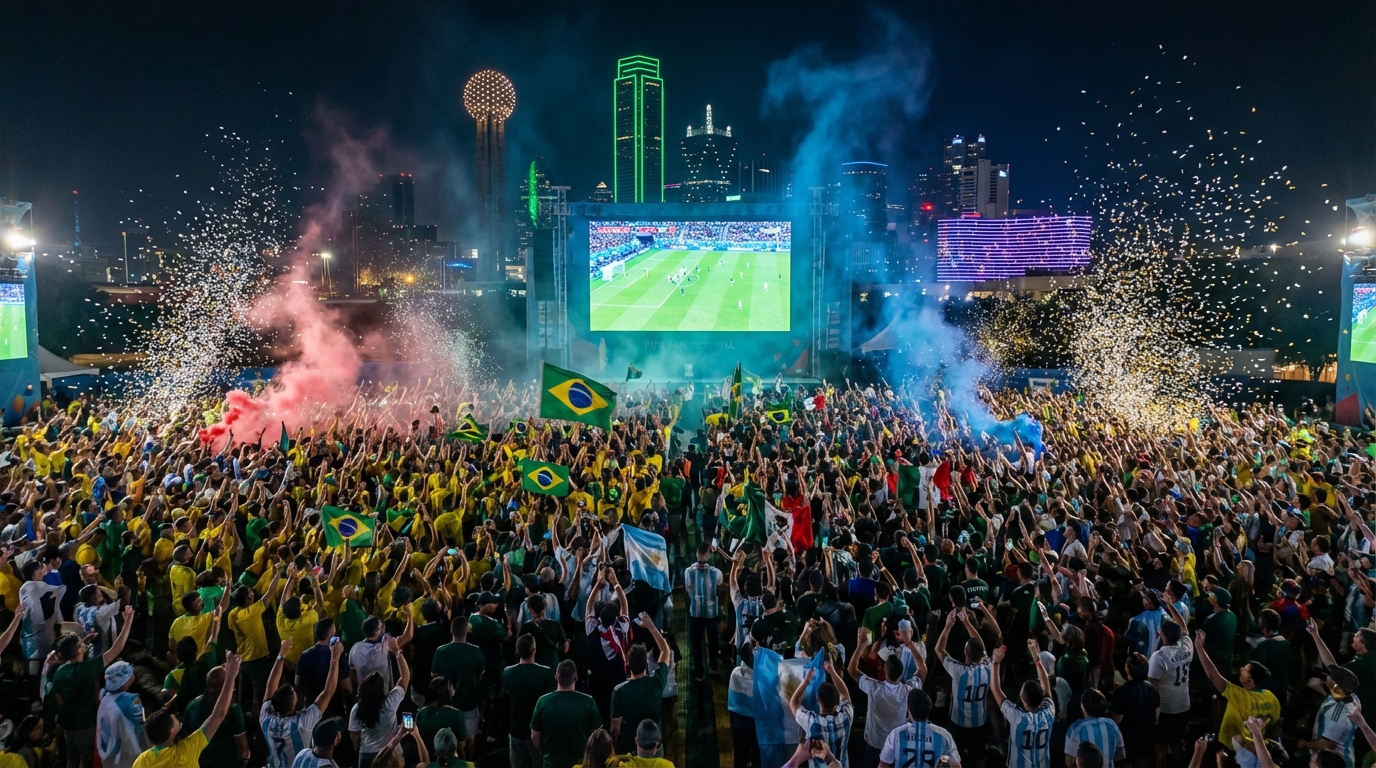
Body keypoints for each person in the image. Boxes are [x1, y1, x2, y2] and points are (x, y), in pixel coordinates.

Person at [51, 605, 135, 768]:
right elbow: (116, 649)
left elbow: (58, 698)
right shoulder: (85, 670)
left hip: (68, 726)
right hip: (85, 726)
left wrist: (83, 642)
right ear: (78, 651)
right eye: (80, 645)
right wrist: (127, 622)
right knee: (86, 760)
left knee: (72, 759)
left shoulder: (60, 671)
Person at [131, 652, 243, 768]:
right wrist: (231, 676)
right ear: (171, 733)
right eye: (174, 720)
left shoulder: (140, 761)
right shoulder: (185, 751)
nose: (177, 718)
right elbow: (218, 714)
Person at [261, 636, 346, 768]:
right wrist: (335, 657)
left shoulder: (265, 717)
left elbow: (270, 686)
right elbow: (328, 692)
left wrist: (281, 655)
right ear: (292, 705)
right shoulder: (302, 723)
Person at [1194, 629, 1280, 759]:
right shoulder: (1272, 698)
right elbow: (1275, 727)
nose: (1240, 669)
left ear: (1250, 682)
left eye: (1245, 670)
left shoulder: (1239, 695)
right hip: (1257, 751)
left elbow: (1212, 675)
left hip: (1233, 749)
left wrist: (1199, 648)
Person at [850, 629, 921, 767]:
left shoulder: (873, 687)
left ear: (885, 671)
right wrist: (909, 643)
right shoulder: (908, 689)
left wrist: (861, 645)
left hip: (874, 745)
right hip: (897, 746)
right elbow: (922, 669)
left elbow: (852, 670)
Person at [935, 607, 993, 765]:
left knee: (954, 759)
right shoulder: (988, 666)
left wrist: (948, 625)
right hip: (979, 723)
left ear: (965, 653)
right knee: (979, 758)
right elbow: (982, 647)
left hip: (958, 723)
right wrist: (967, 622)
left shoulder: (958, 670)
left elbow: (939, 650)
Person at [610, 613, 672, 755]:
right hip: (654, 747)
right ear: (646, 665)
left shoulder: (619, 691)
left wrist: (613, 751)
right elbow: (665, 650)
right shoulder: (656, 682)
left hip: (630, 749)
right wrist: (650, 625)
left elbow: (615, 729)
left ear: (628, 665)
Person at [991, 640, 1056, 768]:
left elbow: (995, 689)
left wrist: (995, 663)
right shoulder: (1049, 712)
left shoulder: (1017, 717)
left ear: (1023, 700)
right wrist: (1037, 659)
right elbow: (1046, 687)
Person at [348, 635, 411, 768]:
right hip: (390, 754)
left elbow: (354, 737)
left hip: (366, 755)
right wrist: (397, 652)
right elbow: (405, 677)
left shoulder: (357, 709)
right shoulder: (389, 703)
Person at [531, 660, 602, 768]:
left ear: (556, 677)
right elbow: (598, 735)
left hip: (551, 763)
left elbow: (534, 736)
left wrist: (544, 753)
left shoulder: (542, 702)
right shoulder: (588, 702)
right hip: (580, 762)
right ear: (576, 678)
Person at [432, 615, 485, 758]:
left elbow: (434, 676)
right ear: (467, 630)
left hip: (447, 702)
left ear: (451, 630)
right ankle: (469, 762)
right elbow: (480, 675)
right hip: (469, 700)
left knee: (449, 737)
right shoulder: (475, 651)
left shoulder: (441, 651)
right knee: (470, 737)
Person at [502, 632, 557, 767]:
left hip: (516, 729)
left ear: (517, 650)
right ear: (534, 650)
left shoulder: (507, 672)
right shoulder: (546, 673)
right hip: (538, 730)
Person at [787, 661, 854, 767]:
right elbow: (844, 693)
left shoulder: (811, 721)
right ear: (837, 702)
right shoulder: (846, 715)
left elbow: (793, 703)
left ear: (818, 700)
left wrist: (806, 681)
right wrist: (832, 672)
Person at [182, 663, 249, 768]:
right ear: (227, 686)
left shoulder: (192, 705)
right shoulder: (233, 709)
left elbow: (185, 736)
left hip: (199, 762)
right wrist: (245, 759)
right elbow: (243, 748)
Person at [1145, 618, 1191, 767]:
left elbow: (1152, 685)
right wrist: (1170, 606)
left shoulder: (1159, 657)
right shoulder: (1187, 647)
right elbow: (1185, 628)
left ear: (1163, 635)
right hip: (1183, 705)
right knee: (1178, 744)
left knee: (1161, 748)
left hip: (1165, 709)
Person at [877, 689, 961, 768]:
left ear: (909, 710)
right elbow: (956, 765)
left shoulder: (896, 734)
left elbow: (883, 765)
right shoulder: (944, 735)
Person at [1297, 665, 1362, 767]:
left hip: (1332, 762)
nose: (1327, 678)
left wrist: (1306, 744)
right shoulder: (1349, 696)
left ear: (1338, 688)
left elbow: (1327, 744)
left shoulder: (1339, 715)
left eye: (1331, 678)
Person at [1109, 654, 1158, 768]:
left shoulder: (1121, 692)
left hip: (1128, 743)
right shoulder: (1152, 690)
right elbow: (1156, 718)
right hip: (1147, 742)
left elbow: (1115, 721)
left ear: (1127, 669)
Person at [95, 661, 147, 768]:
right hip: (128, 757)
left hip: (108, 756)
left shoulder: (104, 696)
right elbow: (141, 725)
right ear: (126, 679)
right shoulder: (131, 701)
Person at [683, 543, 722, 680]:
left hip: (696, 613)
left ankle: (699, 672)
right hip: (711, 613)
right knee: (713, 641)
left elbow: (689, 590)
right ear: (708, 555)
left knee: (696, 643)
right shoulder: (716, 572)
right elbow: (720, 585)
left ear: (697, 554)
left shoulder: (688, 571)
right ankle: (713, 666)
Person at [1062, 689, 1125, 768]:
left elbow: (1069, 762)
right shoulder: (1111, 724)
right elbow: (1120, 755)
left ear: (1083, 707)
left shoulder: (1076, 728)